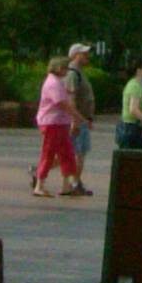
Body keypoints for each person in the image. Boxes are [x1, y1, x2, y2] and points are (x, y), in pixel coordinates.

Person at [32, 55, 85, 197]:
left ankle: (70, 185)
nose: (67, 70)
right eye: (65, 68)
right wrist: (78, 116)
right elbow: (62, 104)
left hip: (60, 123)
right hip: (52, 123)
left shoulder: (57, 82)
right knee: (48, 153)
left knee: (67, 153)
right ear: (59, 68)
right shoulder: (52, 83)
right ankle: (39, 185)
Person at [65, 41, 97, 194]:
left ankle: (39, 172)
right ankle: (74, 183)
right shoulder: (72, 73)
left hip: (83, 119)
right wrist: (75, 121)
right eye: (84, 53)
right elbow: (71, 98)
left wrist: (89, 118)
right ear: (76, 55)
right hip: (78, 120)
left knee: (74, 153)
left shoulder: (79, 72)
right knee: (78, 153)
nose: (87, 56)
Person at [116, 56, 142, 151]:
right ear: (138, 71)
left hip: (132, 128)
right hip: (130, 129)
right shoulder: (134, 86)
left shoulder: (137, 85)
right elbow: (133, 109)